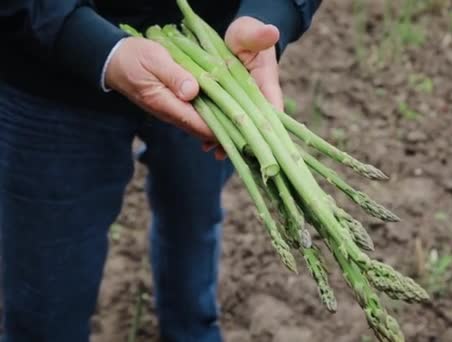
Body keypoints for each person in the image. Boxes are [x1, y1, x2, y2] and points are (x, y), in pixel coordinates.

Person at [0, 0, 321, 341]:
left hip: (214, 59)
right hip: (45, 67)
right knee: (48, 299)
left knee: (195, 216)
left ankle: (192, 328)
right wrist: (92, 43)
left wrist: (270, 13)